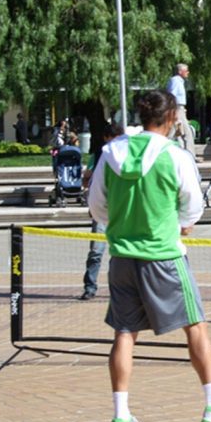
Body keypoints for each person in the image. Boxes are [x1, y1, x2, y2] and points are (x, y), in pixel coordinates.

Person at [87, 90, 211, 422]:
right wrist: (180, 224)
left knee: (124, 333)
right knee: (196, 328)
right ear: (173, 117)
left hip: (122, 257)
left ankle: (120, 418)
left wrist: (122, 223)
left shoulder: (110, 153)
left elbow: (96, 206)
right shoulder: (175, 156)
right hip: (164, 257)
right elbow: (192, 206)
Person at [80, 123, 125, 301]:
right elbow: (86, 179)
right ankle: (90, 286)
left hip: (121, 210)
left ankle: (122, 289)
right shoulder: (100, 155)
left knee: (122, 253)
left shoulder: (127, 155)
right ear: (106, 139)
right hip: (103, 210)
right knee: (96, 251)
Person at [165, 62, 194, 152]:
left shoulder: (179, 82)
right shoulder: (175, 81)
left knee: (177, 132)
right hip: (176, 108)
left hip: (179, 108)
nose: (188, 72)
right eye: (186, 71)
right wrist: (174, 111)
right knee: (186, 133)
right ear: (180, 71)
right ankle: (190, 155)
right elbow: (171, 95)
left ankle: (185, 152)